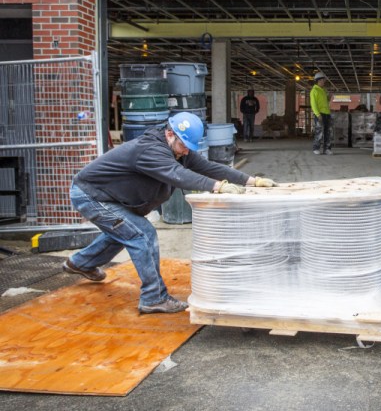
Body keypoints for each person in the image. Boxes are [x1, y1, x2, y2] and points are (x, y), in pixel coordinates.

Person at [62, 112, 277, 314]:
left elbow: (210, 167)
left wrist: (252, 181)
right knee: (141, 234)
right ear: (170, 134)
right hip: (91, 195)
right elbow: (178, 175)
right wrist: (217, 187)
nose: (186, 151)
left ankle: (80, 264)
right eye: (184, 145)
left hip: (112, 196)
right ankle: (153, 298)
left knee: (123, 232)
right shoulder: (150, 150)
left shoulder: (178, 150)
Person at [310, 71, 333, 155]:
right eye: (323, 80)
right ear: (319, 80)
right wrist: (318, 114)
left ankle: (327, 149)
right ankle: (316, 148)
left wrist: (329, 97)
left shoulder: (323, 90)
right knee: (319, 132)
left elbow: (325, 101)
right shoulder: (314, 91)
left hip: (327, 114)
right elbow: (313, 104)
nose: (324, 82)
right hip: (320, 114)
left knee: (328, 132)